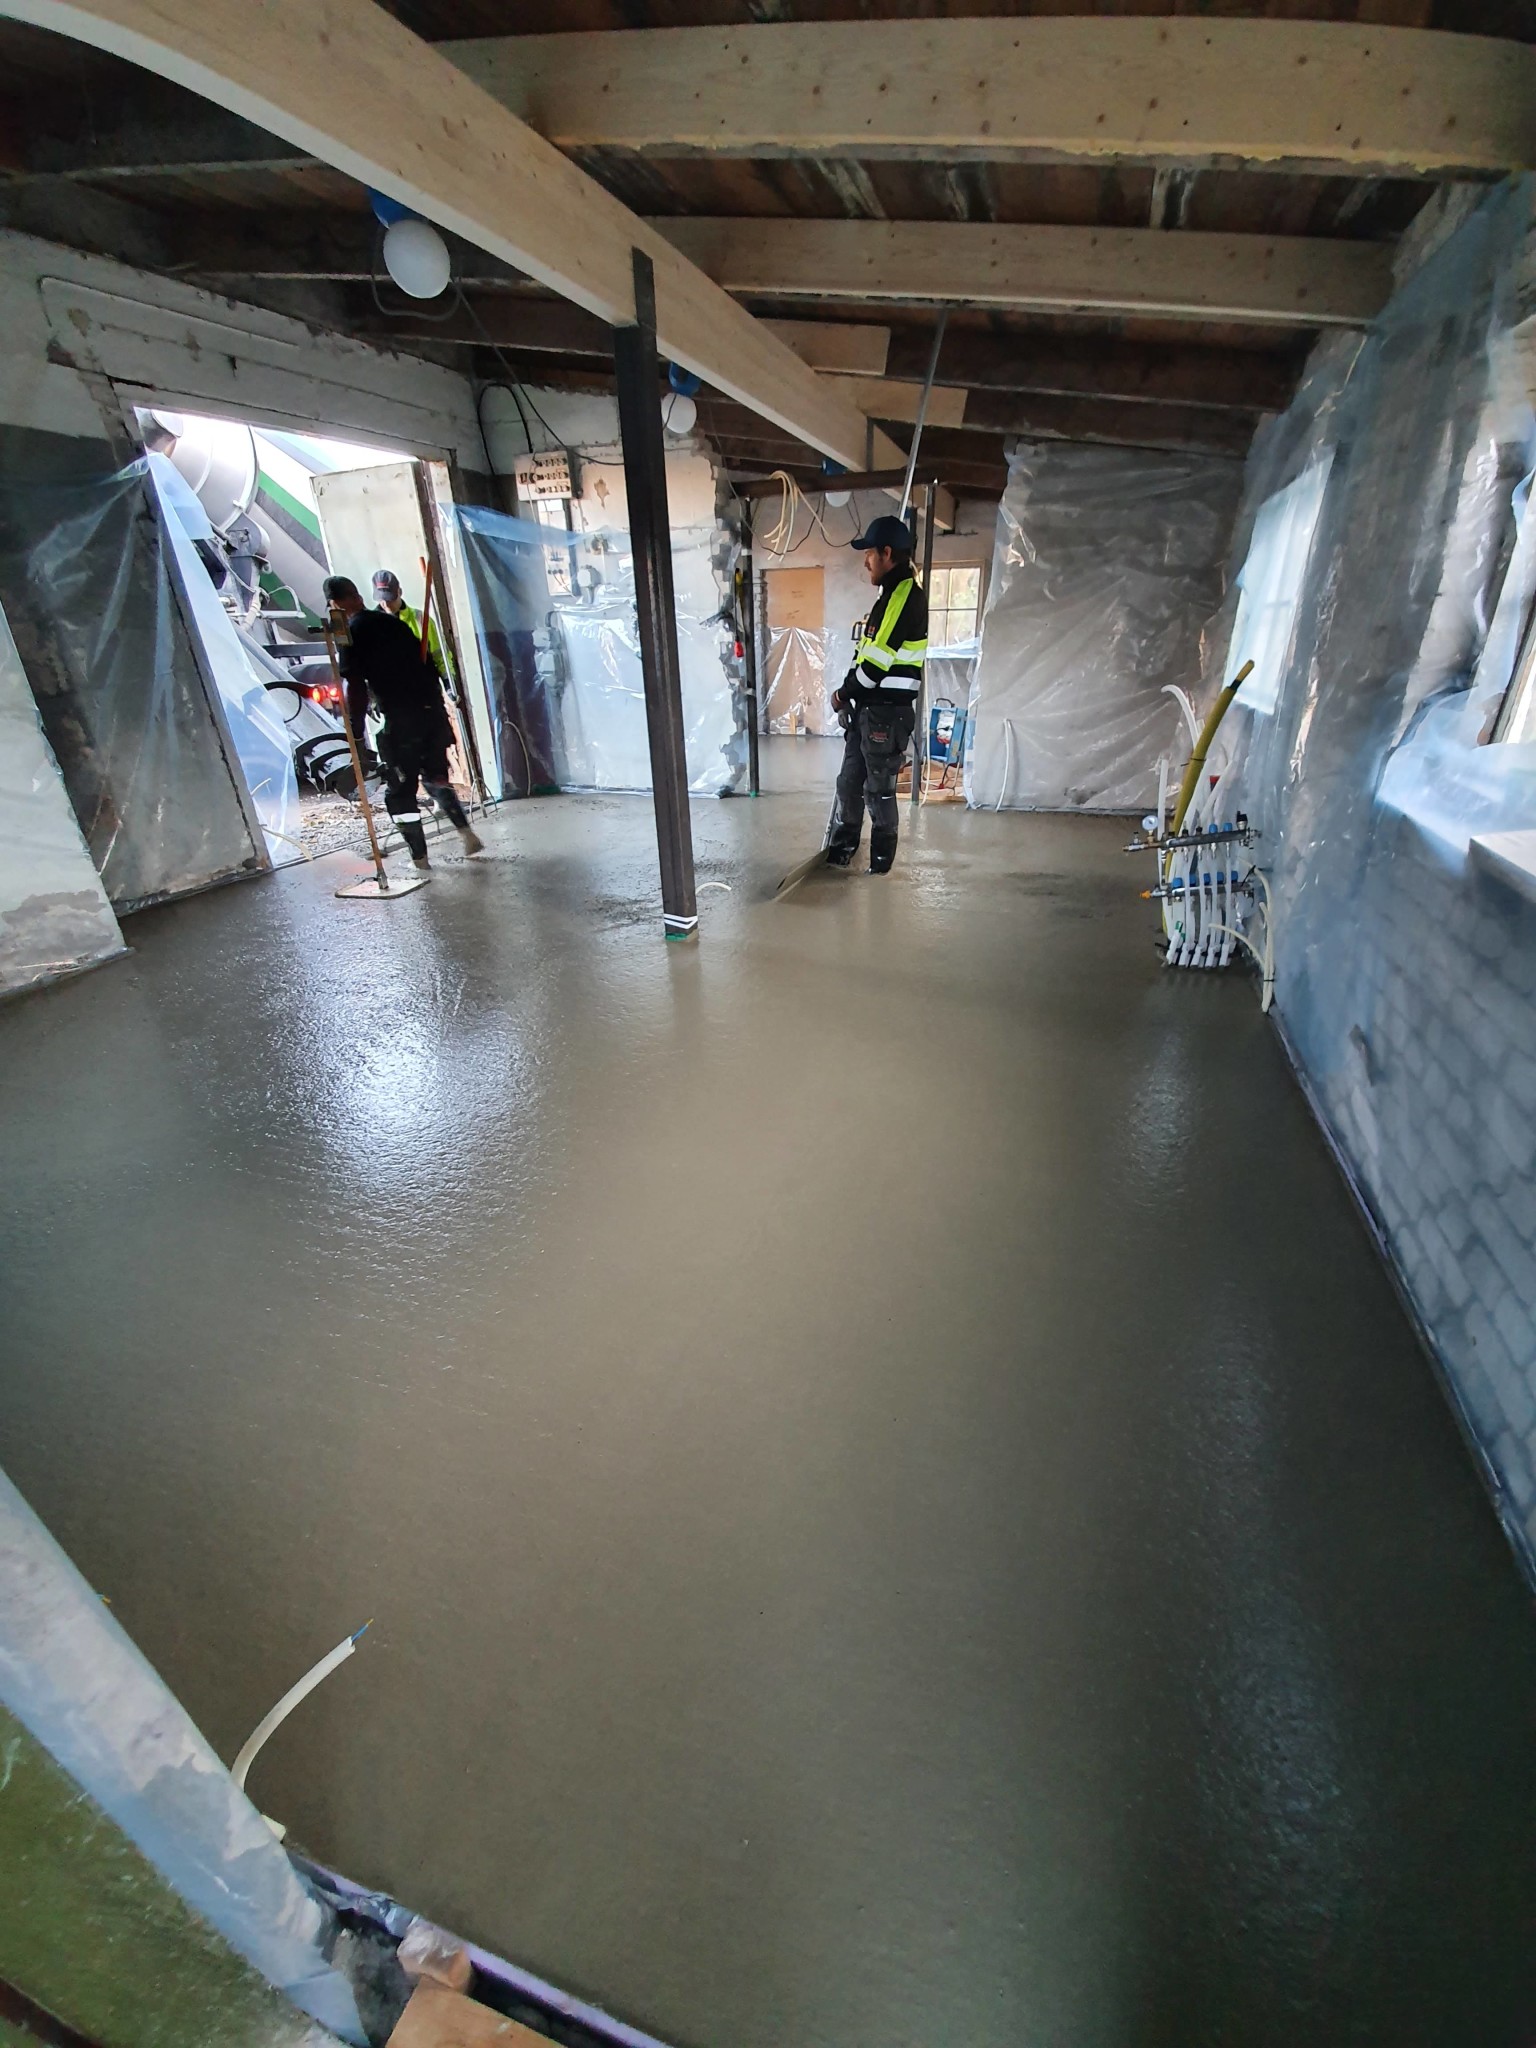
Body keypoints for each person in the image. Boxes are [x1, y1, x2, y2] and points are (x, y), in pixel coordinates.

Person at [322, 574, 482, 869]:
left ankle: (420, 860)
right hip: (432, 715)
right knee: (436, 778)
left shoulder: (351, 633)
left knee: (400, 793)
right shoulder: (394, 624)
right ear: (358, 595)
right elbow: (426, 665)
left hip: (403, 721)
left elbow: (355, 686)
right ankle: (467, 833)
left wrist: (355, 732)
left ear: (334, 604)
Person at [828, 514, 929, 873]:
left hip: (887, 712)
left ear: (887, 553)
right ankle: (841, 853)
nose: (866, 561)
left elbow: (875, 666)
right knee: (848, 783)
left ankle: (880, 868)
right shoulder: (887, 597)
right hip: (869, 710)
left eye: (869, 553)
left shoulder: (904, 597)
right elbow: (865, 655)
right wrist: (850, 694)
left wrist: (842, 694)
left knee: (879, 791)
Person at [372, 568, 453, 685]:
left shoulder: (421, 620)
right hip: (393, 692)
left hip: (425, 688)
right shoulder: (372, 627)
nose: (386, 604)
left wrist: (448, 683)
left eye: (390, 598)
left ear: (399, 592)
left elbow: (440, 655)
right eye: (382, 599)